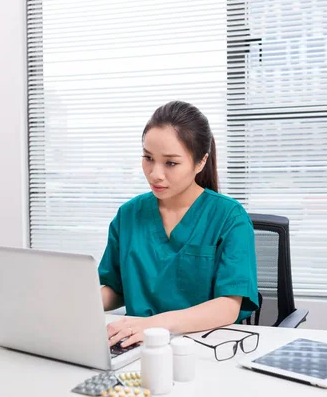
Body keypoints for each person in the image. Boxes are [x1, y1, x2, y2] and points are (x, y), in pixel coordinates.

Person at [98, 101, 259, 348]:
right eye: (148, 158)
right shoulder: (129, 214)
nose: (155, 174)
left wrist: (154, 325)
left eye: (171, 163)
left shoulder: (229, 217)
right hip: (136, 345)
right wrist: (75, 302)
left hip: (201, 347)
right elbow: (117, 288)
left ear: (200, 162)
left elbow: (228, 306)